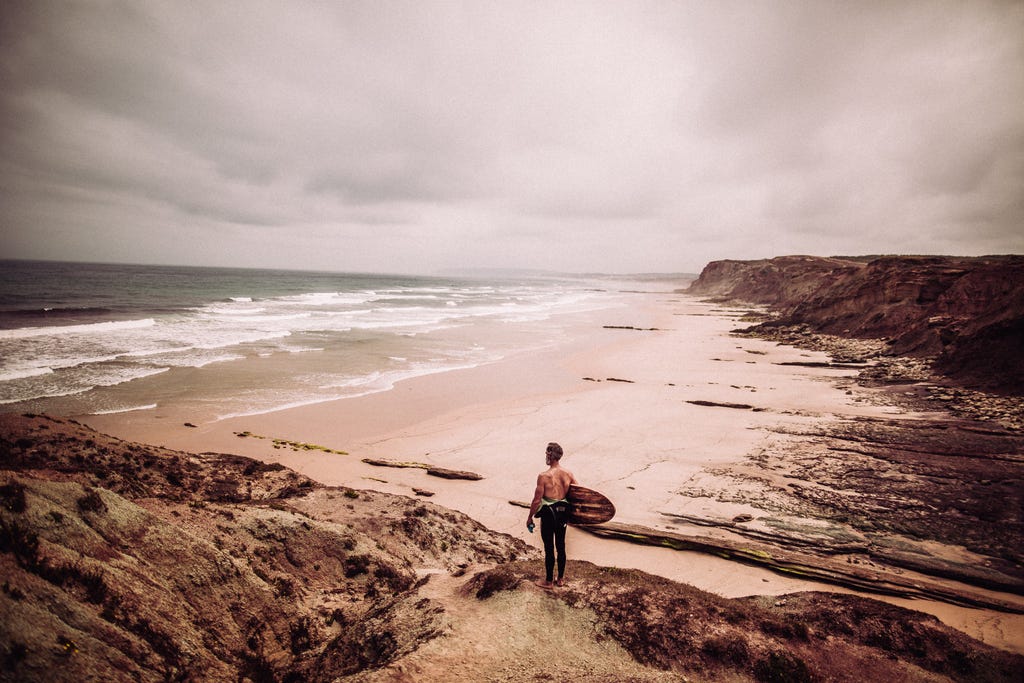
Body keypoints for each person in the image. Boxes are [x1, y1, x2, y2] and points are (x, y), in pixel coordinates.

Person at [526, 442, 578, 588]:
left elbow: (537, 500)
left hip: (549, 514)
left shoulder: (543, 476)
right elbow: (579, 493)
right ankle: (560, 579)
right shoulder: (568, 474)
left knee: (549, 547)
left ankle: (549, 581)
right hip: (563, 513)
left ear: (550, 455)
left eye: (546, 453)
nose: (546, 456)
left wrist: (530, 517)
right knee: (561, 546)